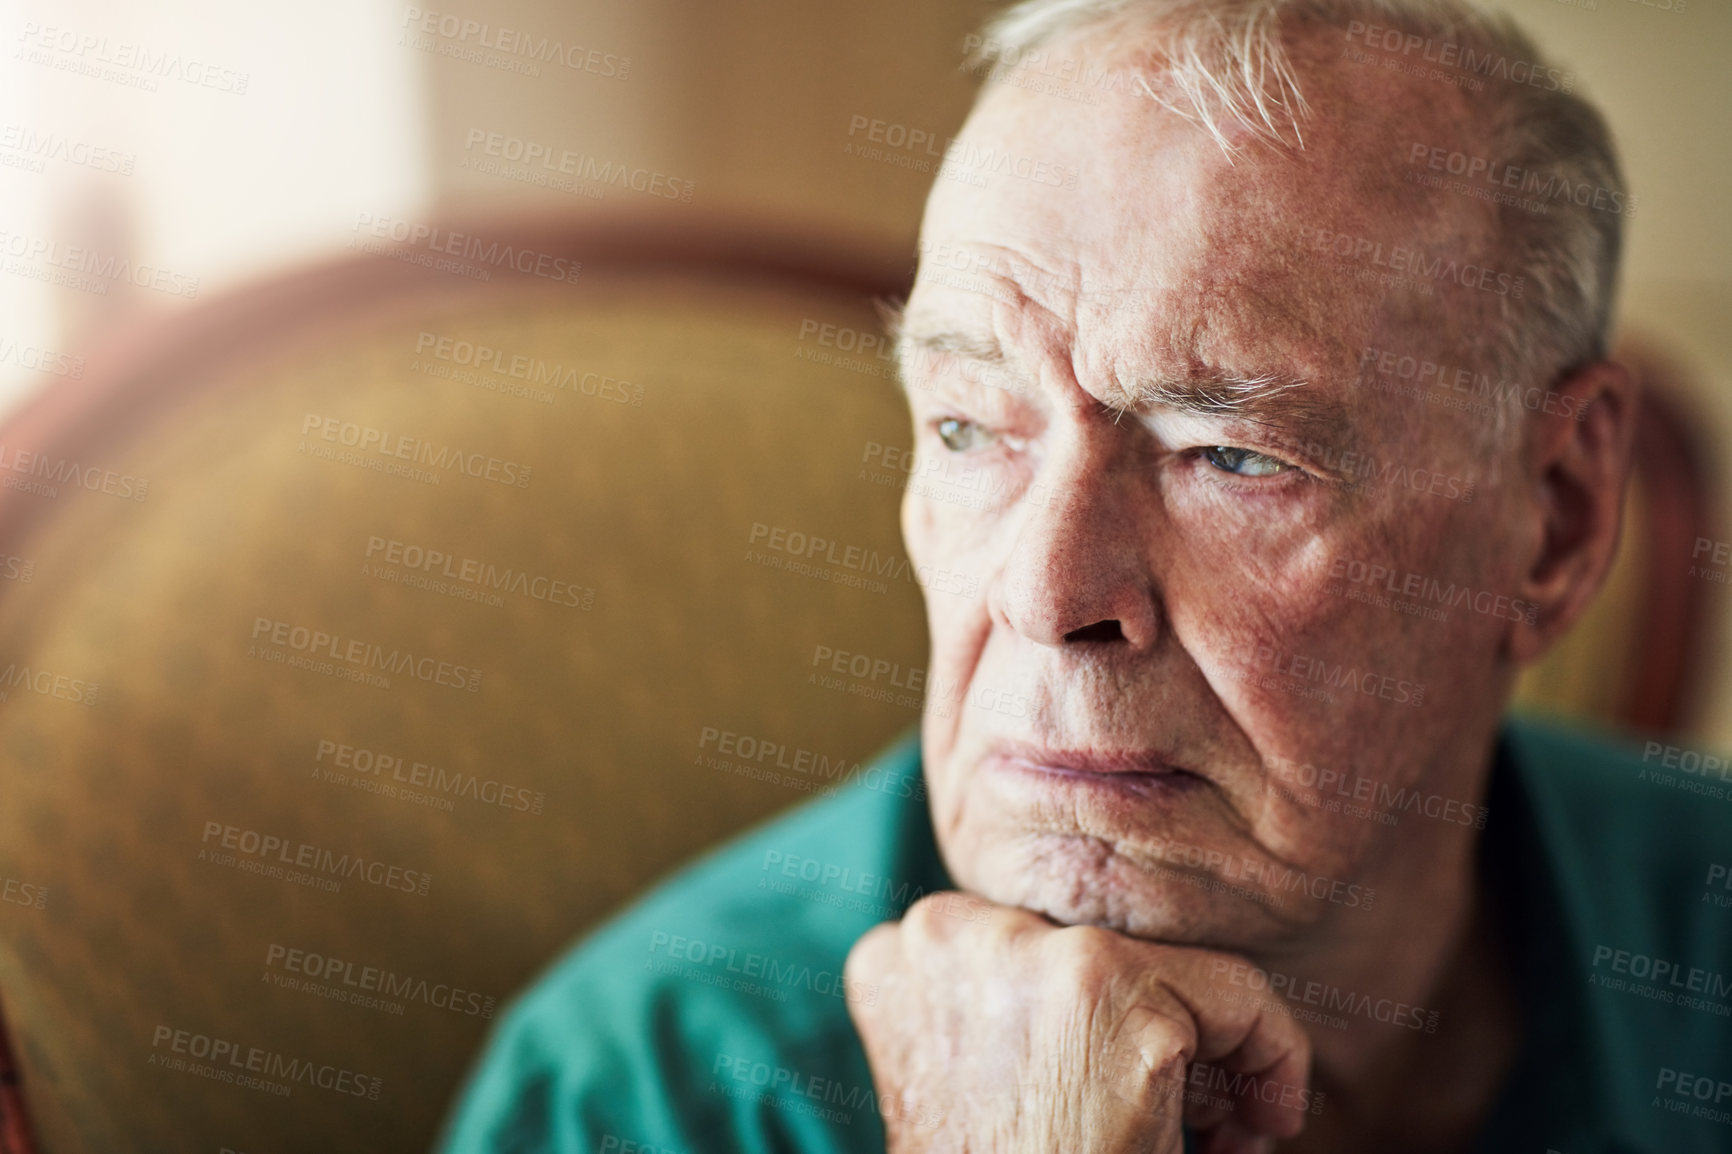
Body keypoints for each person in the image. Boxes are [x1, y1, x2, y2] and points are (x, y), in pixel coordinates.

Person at [437, 1, 1731, 1150]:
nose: (1047, 598)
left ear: (1553, 517)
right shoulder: (643, 1098)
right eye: (968, 427)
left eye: (1230, 453)